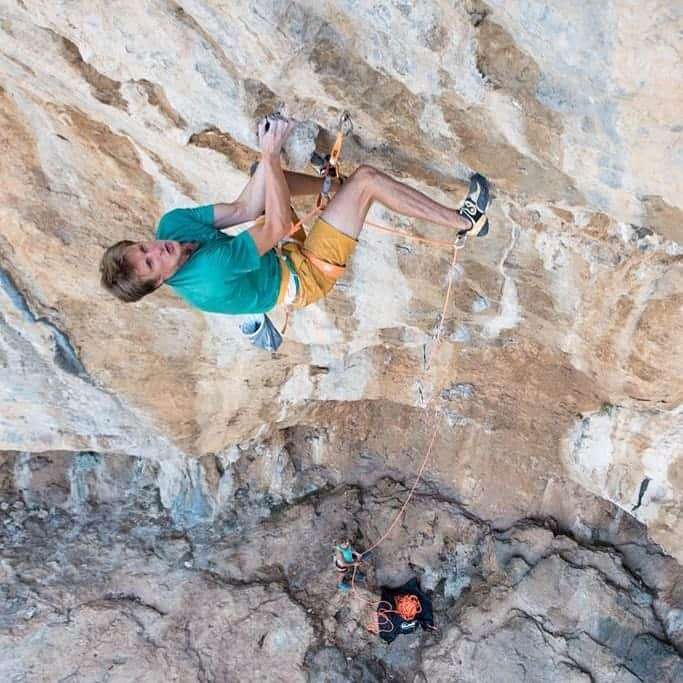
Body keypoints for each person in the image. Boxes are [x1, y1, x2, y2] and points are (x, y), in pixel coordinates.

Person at [99, 114, 491, 314]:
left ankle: (337, 188)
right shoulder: (209, 276)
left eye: (143, 247)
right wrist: (269, 152)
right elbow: (278, 224)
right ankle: (467, 222)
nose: (158, 249)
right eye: (151, 262)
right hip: (304, 277)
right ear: (159, 282)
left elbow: (244, 208)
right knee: (369, 180)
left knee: (264, 179)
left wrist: (267, 162)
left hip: (270, 255)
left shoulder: (171, 226)